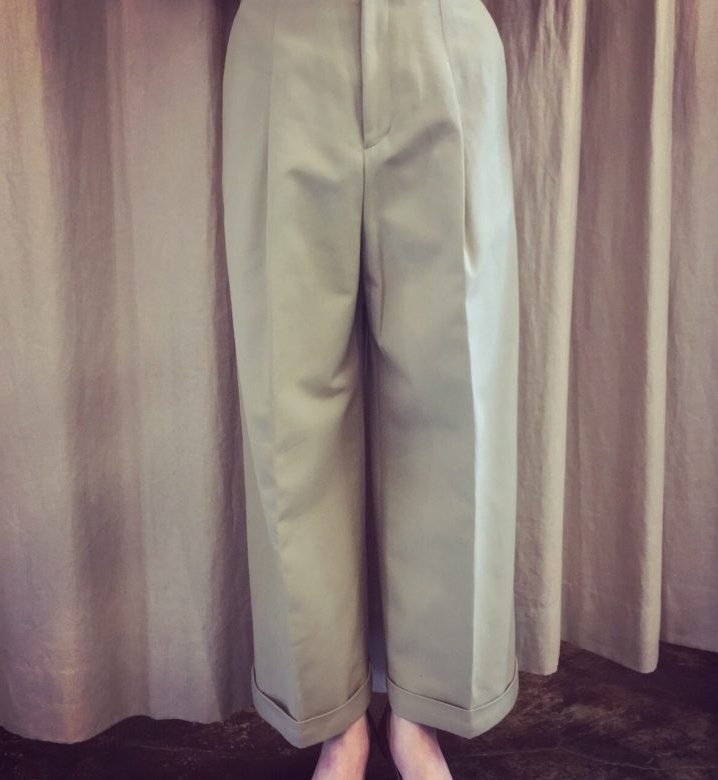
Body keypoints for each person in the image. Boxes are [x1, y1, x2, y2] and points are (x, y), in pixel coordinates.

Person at [221, 0, 520, 777]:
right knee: (290, 403)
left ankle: (421, 715)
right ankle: (337, 719)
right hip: (288, 40)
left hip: (441, 36)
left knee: (455, 399)